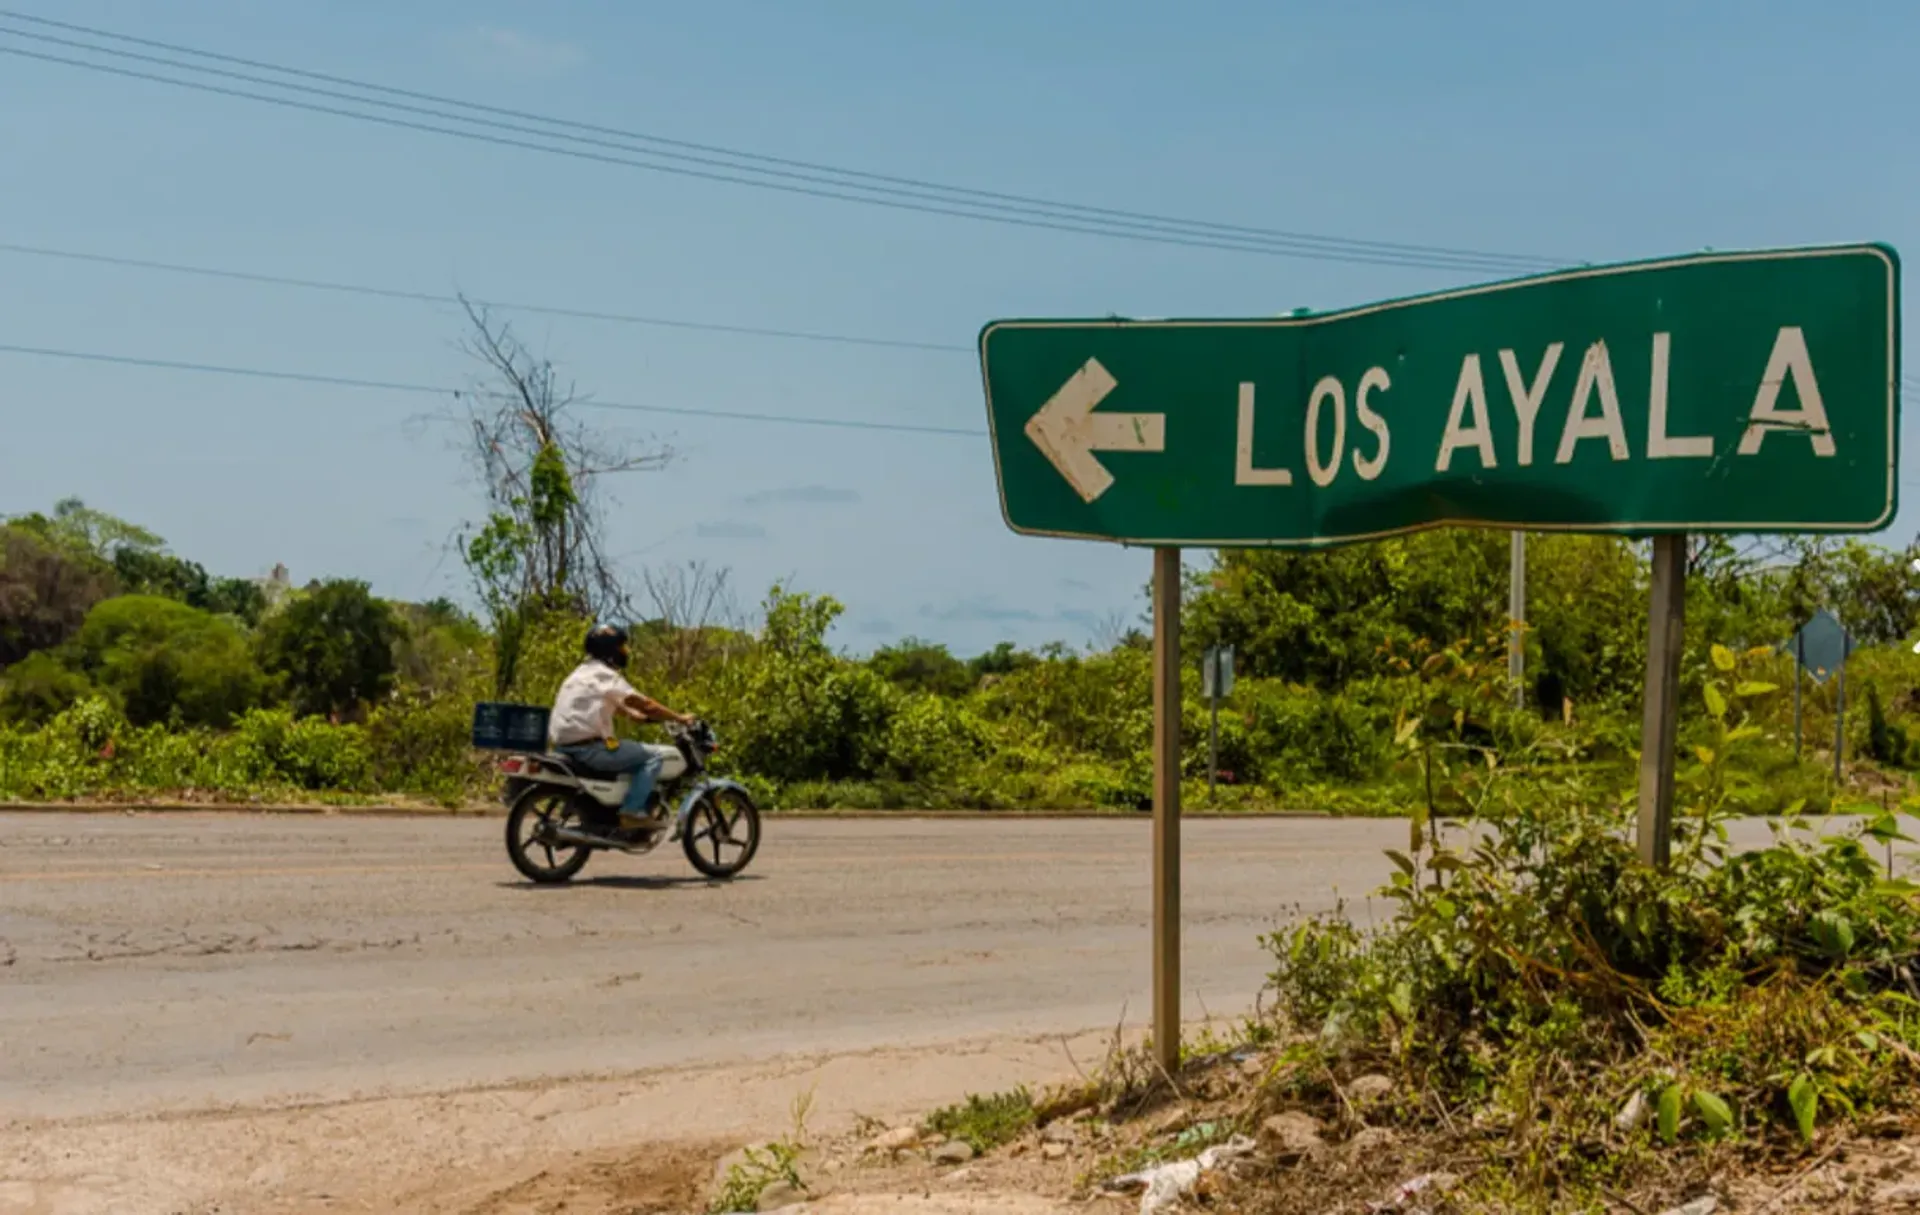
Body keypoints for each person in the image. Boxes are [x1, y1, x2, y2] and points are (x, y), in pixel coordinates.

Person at [547, 623, 695, 831]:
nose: (625, 652)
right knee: (654, 757)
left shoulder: (579, 674)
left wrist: (637, 716)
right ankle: (632, 812)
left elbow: (608, 705)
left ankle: (613, 809)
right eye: (621, 647)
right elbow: (644, 704)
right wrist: (679, 718)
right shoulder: (605, 675)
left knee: (630, 750)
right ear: (610, 650)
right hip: (590, 749)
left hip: (564, 746)